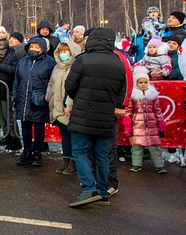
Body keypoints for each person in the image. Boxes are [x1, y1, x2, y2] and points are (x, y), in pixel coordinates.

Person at [65, 27, 127, 207]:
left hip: (83, 114)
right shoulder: (117, 62)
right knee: (102, 154)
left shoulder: (83, 60)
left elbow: (70, 86)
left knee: (80, 151)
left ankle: (88, 188)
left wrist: (78, 97)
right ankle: (103, 192)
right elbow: (122, 89)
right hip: (105, 115)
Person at [13, 37, 56, 166]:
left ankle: (37, 153)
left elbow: (52, 82)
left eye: (37, 47)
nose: (34, 49)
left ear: (43, 48)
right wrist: (15, 96)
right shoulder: (23, 61)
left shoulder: (50, 62)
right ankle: (26, 151)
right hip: (24, 98)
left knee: (38, 126)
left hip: (39, 99)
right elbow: (17, 80)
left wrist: (47, 97)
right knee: (25, 126)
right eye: (32, 46)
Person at [47, 40, 82, 175]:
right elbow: (51, 83)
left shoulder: (77, 67)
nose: (63, 54)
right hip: (57, 105)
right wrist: (48, 96)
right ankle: (66, 160)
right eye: (61, 51)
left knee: (73, 136)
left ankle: (74, 162)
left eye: (66, 51)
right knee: (64, 136)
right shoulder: (57, 67)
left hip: (71, 107)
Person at [123, 67, 167, 173]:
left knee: (155, 147)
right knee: (136, 147)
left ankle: (159, 166)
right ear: (136, 83)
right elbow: (128, 110)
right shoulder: (133, 96)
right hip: (137, 126)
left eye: (145, 82)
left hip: (152, 126)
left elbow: (157, 110)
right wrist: (128, 124)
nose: (143, 84)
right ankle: (136, 164)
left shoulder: (152, 95)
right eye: (140, 82)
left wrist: (161, 123)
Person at [0, 31, 23, 150]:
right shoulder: (8, 52)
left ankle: (14, 138)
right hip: (3, 88)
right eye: (10, 38)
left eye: (14, 39)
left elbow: (14, 69)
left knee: (9, 115)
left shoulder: (18, 53)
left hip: (9, 88)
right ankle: (7, 136)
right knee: (3, 115)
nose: (10, 40)